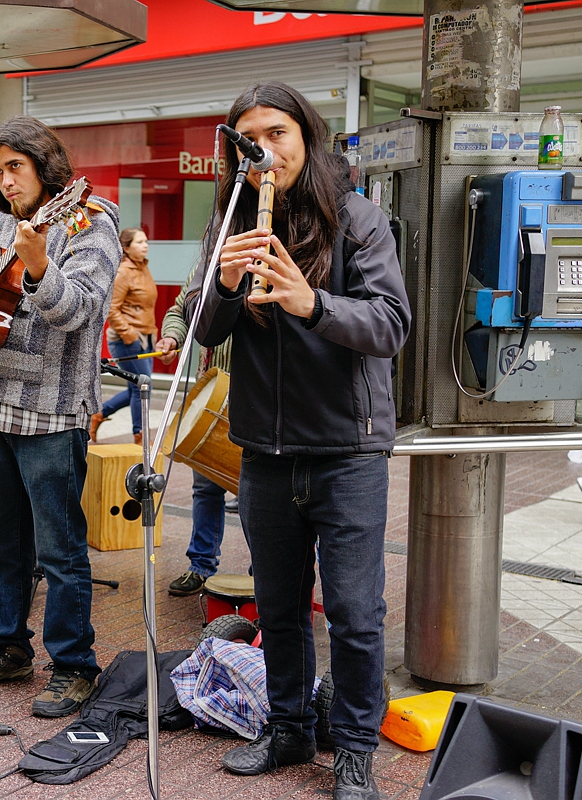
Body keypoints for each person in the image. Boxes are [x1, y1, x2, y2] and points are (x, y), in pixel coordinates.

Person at [191, 82, 410, 800]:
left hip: (349, 452)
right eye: (249, 138)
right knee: (276, 607)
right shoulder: (229, 226)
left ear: (306, 139)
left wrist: (313, 304)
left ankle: (352, 749)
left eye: (277, 133)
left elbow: (390, 325)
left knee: (353, 613)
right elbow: (201, 332)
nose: (265, 150)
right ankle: (286, 728)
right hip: (264, 451)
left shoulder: (357, 219)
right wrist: (222, 286)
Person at [0, 115, 120, 718]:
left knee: (59, 547)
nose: (6, 181)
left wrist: (38, 269)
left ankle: (73, 664)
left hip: (53, 412)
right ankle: (7, 645)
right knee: (0, 539)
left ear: (45, 163)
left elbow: (82, 311)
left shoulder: (91, 222)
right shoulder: (0, 224)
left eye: (16, 167)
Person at [156, 282, 232, 598]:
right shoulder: (205, 262)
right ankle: (201, 566)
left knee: (258, 495)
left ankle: (265, 576)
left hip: (253, 395)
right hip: (211, 391)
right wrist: (173, 334)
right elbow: (180, 308)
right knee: (205, 488)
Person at [90, 228, 156, 445]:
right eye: (139, 242)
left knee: (138, 387)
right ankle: (140, 436)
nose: (145, 245)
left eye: (146, 241)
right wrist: (129, 335)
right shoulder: (123, 272)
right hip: (127, 340)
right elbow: (111, 308)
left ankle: (99, 414)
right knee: (142, 387)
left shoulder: (143, 268)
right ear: (126, 248)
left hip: (145, 337)